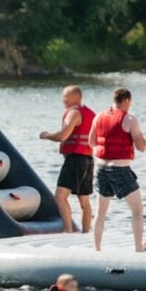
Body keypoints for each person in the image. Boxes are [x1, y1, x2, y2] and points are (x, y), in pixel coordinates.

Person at [90, 88, 146, 252]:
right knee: (137, 210)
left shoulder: (98, 117)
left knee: (100, 212)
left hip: (101, 168)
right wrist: (142, 139)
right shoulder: (129, 119)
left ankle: (97, 249)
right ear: (127, 100)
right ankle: (138, 248)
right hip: (120, 168)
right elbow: (141, 146)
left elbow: (91, 143)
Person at [39, 85, 96, 233]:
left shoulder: (74, 113)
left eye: (65, 96)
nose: (63, 99)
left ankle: (68, 230)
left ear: (75, 97)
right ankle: (85, 232)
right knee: (84, 200)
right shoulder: (90, 113)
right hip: (88, 160)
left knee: (60, 197)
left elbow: (62, 136)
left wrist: (46, 135)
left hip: (75, 160)